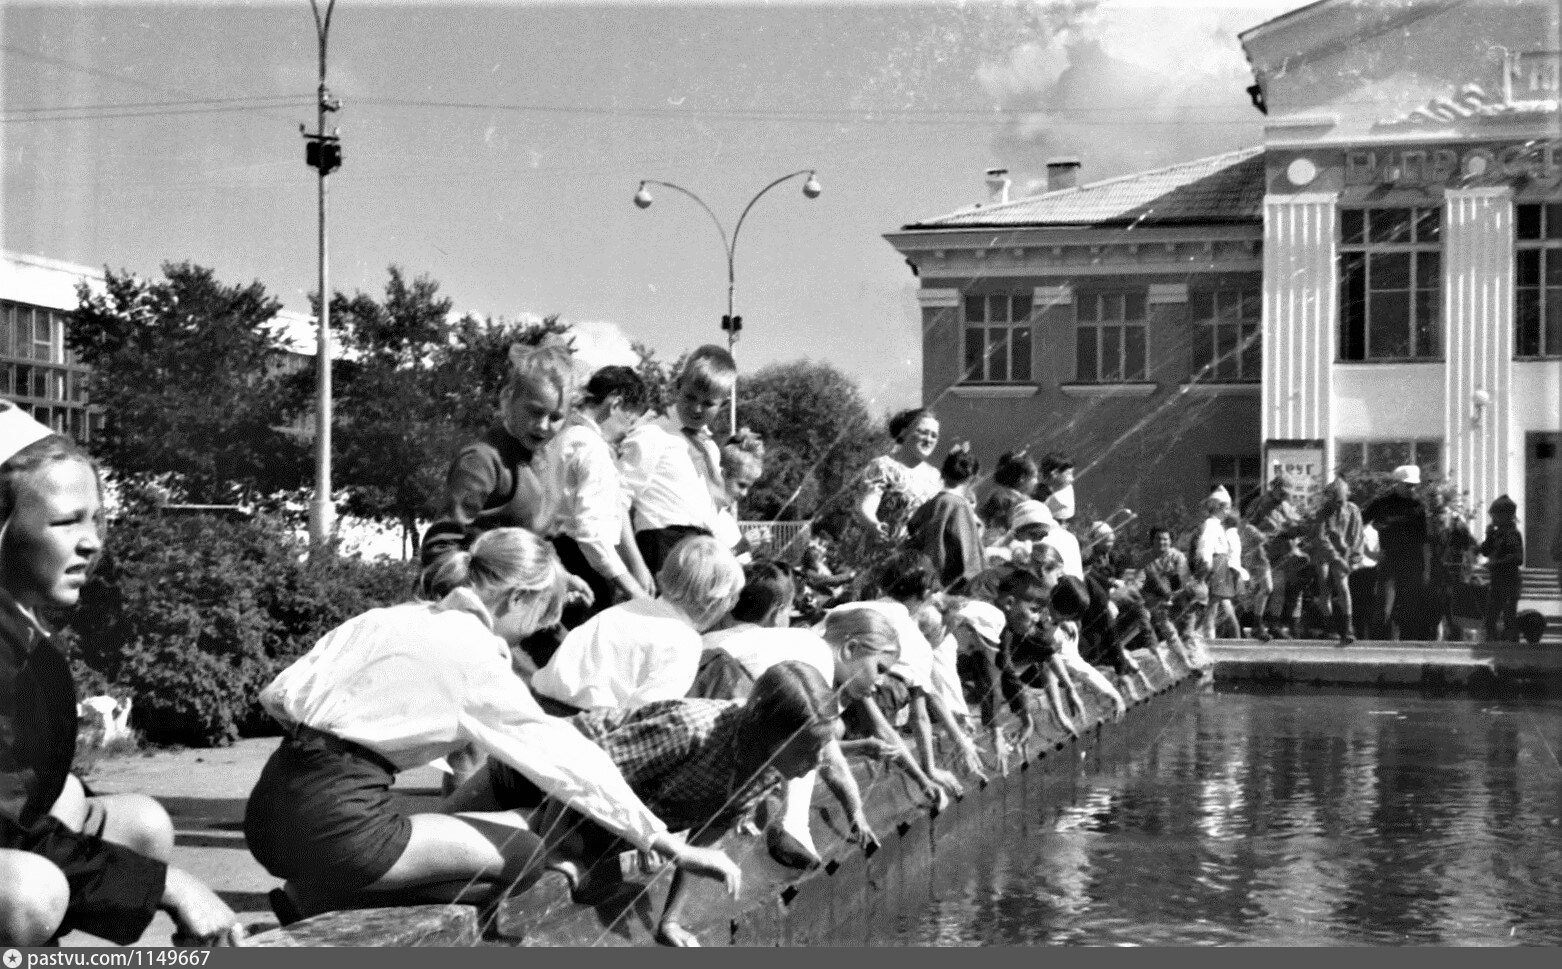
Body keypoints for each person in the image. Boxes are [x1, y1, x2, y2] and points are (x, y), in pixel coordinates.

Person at [245, 528, 740, 926]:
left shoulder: (389, 618)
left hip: (269, 807)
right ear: (517, 598)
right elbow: (566, 760)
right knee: (527, 856)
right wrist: (662, 840)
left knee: (473, 828)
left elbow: (279, 695)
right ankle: (323, 900)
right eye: (539, 618)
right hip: (338, 826)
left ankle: (317, 886)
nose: (530, 636)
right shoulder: (475, 655)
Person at [0, 406, 245, 947]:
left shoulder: (21, 628)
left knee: (137, 822)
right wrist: (170, 886)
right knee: (28, 889)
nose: (92, 541)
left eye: (97, 519)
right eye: (66, 522)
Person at [486, 663, 840, 946]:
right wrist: (552, 850)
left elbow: (705, 841)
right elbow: (578, 775)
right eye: (808, 749)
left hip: (585, 812)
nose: (820, 760)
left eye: (823, 747)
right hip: (528, 772)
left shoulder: (768, 770)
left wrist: (670, 920)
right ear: (769, 735)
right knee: (519, 856)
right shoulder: (691, 731)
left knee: (592, 882)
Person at [692, 562, 879, 871]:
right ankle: (794, 827)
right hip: (724, 723)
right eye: (879, 668)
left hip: (706, 720)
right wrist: (850, 811)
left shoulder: (713, 638)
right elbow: (823, 751)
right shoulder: (812, 649)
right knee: (807, 733)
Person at [531, 535, 744, 713]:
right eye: (731, 601)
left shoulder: (628, 609)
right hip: (582, 724)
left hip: (538, 701)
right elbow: (645, 715)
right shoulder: (684, 642)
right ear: (714, 602)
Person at [539, 365, 656, 622]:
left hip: (556, 557)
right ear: (616, 404)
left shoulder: (562, 438)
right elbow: (590, 532)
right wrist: (631, 587)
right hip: (582, 566)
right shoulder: (592, 448)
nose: (627, 432)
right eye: (630, 421)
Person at [619, 345, 737, 578]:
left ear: (723, 404)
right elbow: (619, 500)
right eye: (690, 397)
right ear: (678, 385)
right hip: (661, 546)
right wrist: (635, 565)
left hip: (701, 551)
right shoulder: (652, 434)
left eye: (708, 403)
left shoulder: (710, 448)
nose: (696, 408)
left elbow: (711, 514)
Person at [837, 407, 944, 574]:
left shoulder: (936, 478)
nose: (929, 439)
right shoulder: (884, 466)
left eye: (934, 435)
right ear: (904, 433)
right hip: (876, 558)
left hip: (912, 564)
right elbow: (867, 504)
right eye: (923, 432)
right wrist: (874, 524)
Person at [905, 442, 986, 594]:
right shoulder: (960, 506)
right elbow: (969, 558)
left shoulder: (933, 502)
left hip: (915, 576)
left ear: (943, 473)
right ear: (973, 478)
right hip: (940, 585)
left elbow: (912, 527)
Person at [1363, 465, 1432, 640]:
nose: (1412, 489)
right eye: (1408, 485)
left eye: (1414, 486)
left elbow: (1424, 541)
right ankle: (1378, 650)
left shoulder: (1418, 507)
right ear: (1397, 483)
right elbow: (1357, 526)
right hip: (1390, 563)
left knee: (1410, 611)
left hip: (1413, 564)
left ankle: (1408, 651)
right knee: (1384, 610)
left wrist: (1427, 569)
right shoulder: (1381, 504)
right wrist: (1368, 552)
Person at [1246, 477, 1309, 639]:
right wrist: (1259, 535)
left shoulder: (1286, 506)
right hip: (1261, 553)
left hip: (1280, 554)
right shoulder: (1260, 503)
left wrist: (1301, 528)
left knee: (1278, 590)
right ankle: (1257, 625)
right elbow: (1247, 525)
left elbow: (1292, 526)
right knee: (1267, 588)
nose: (1284, 496)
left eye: (1286, 494)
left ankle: (1273, 625)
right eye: (1282, 492)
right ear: (1275, 488)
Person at [1312, 477, 1365, 646]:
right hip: (1325, 553)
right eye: (1335, 501)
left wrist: (1352, 557)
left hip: (1344, 552)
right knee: (1325, 586)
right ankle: (1329, 626)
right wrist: (1336, 558)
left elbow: (1357, 536)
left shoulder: (1353, 510)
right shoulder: (1323, 513)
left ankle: (1348, 628)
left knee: (1343, 586)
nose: (1339, 505)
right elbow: (1321, 539)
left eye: (1341, 501)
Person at [1195, 488, 1246, 640]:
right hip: (1216, 565)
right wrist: (1206, 564)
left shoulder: (1217, 525)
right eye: (1227, 508)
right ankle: (1211, 638)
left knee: (1215, 606)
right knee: (1213, 607)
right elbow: (1206, 545)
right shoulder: (1211, 524)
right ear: (1218, 508)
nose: (1228, 512)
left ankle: (1213, 636)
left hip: (1220, 565)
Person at [710, 428, 764, 565]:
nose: (744, 493)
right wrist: (739, 548)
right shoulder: (702, 518)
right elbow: (702, 570)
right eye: (741, 485)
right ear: (723, 475)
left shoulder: (726, 520)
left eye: (748, 487)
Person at [1479, 494, 1525, 642]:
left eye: (1495, 515)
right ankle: (1493, 642)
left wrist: (1495, 564)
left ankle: (1510, 646)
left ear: (1505, 515)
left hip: (1509, 582)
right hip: (1497, 582)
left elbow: (1517, 558)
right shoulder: (1497, 534)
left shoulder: (1512, 534)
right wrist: (1489, 535)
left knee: (1509, 617)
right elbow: (1485, 551)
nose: (1493, 519)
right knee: (1490, 617)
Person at [977, 450, 1039, 541]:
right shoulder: (1012, 501)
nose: (1037, 481)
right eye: (1034, 477)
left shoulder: (998, 494)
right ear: (1022, 478)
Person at [1037, 451, 1076, 524]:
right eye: (1068, 474)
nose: (1072, 479)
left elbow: (1038, 513)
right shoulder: (1065, 486)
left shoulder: (1058, 498)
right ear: (1055, 473)